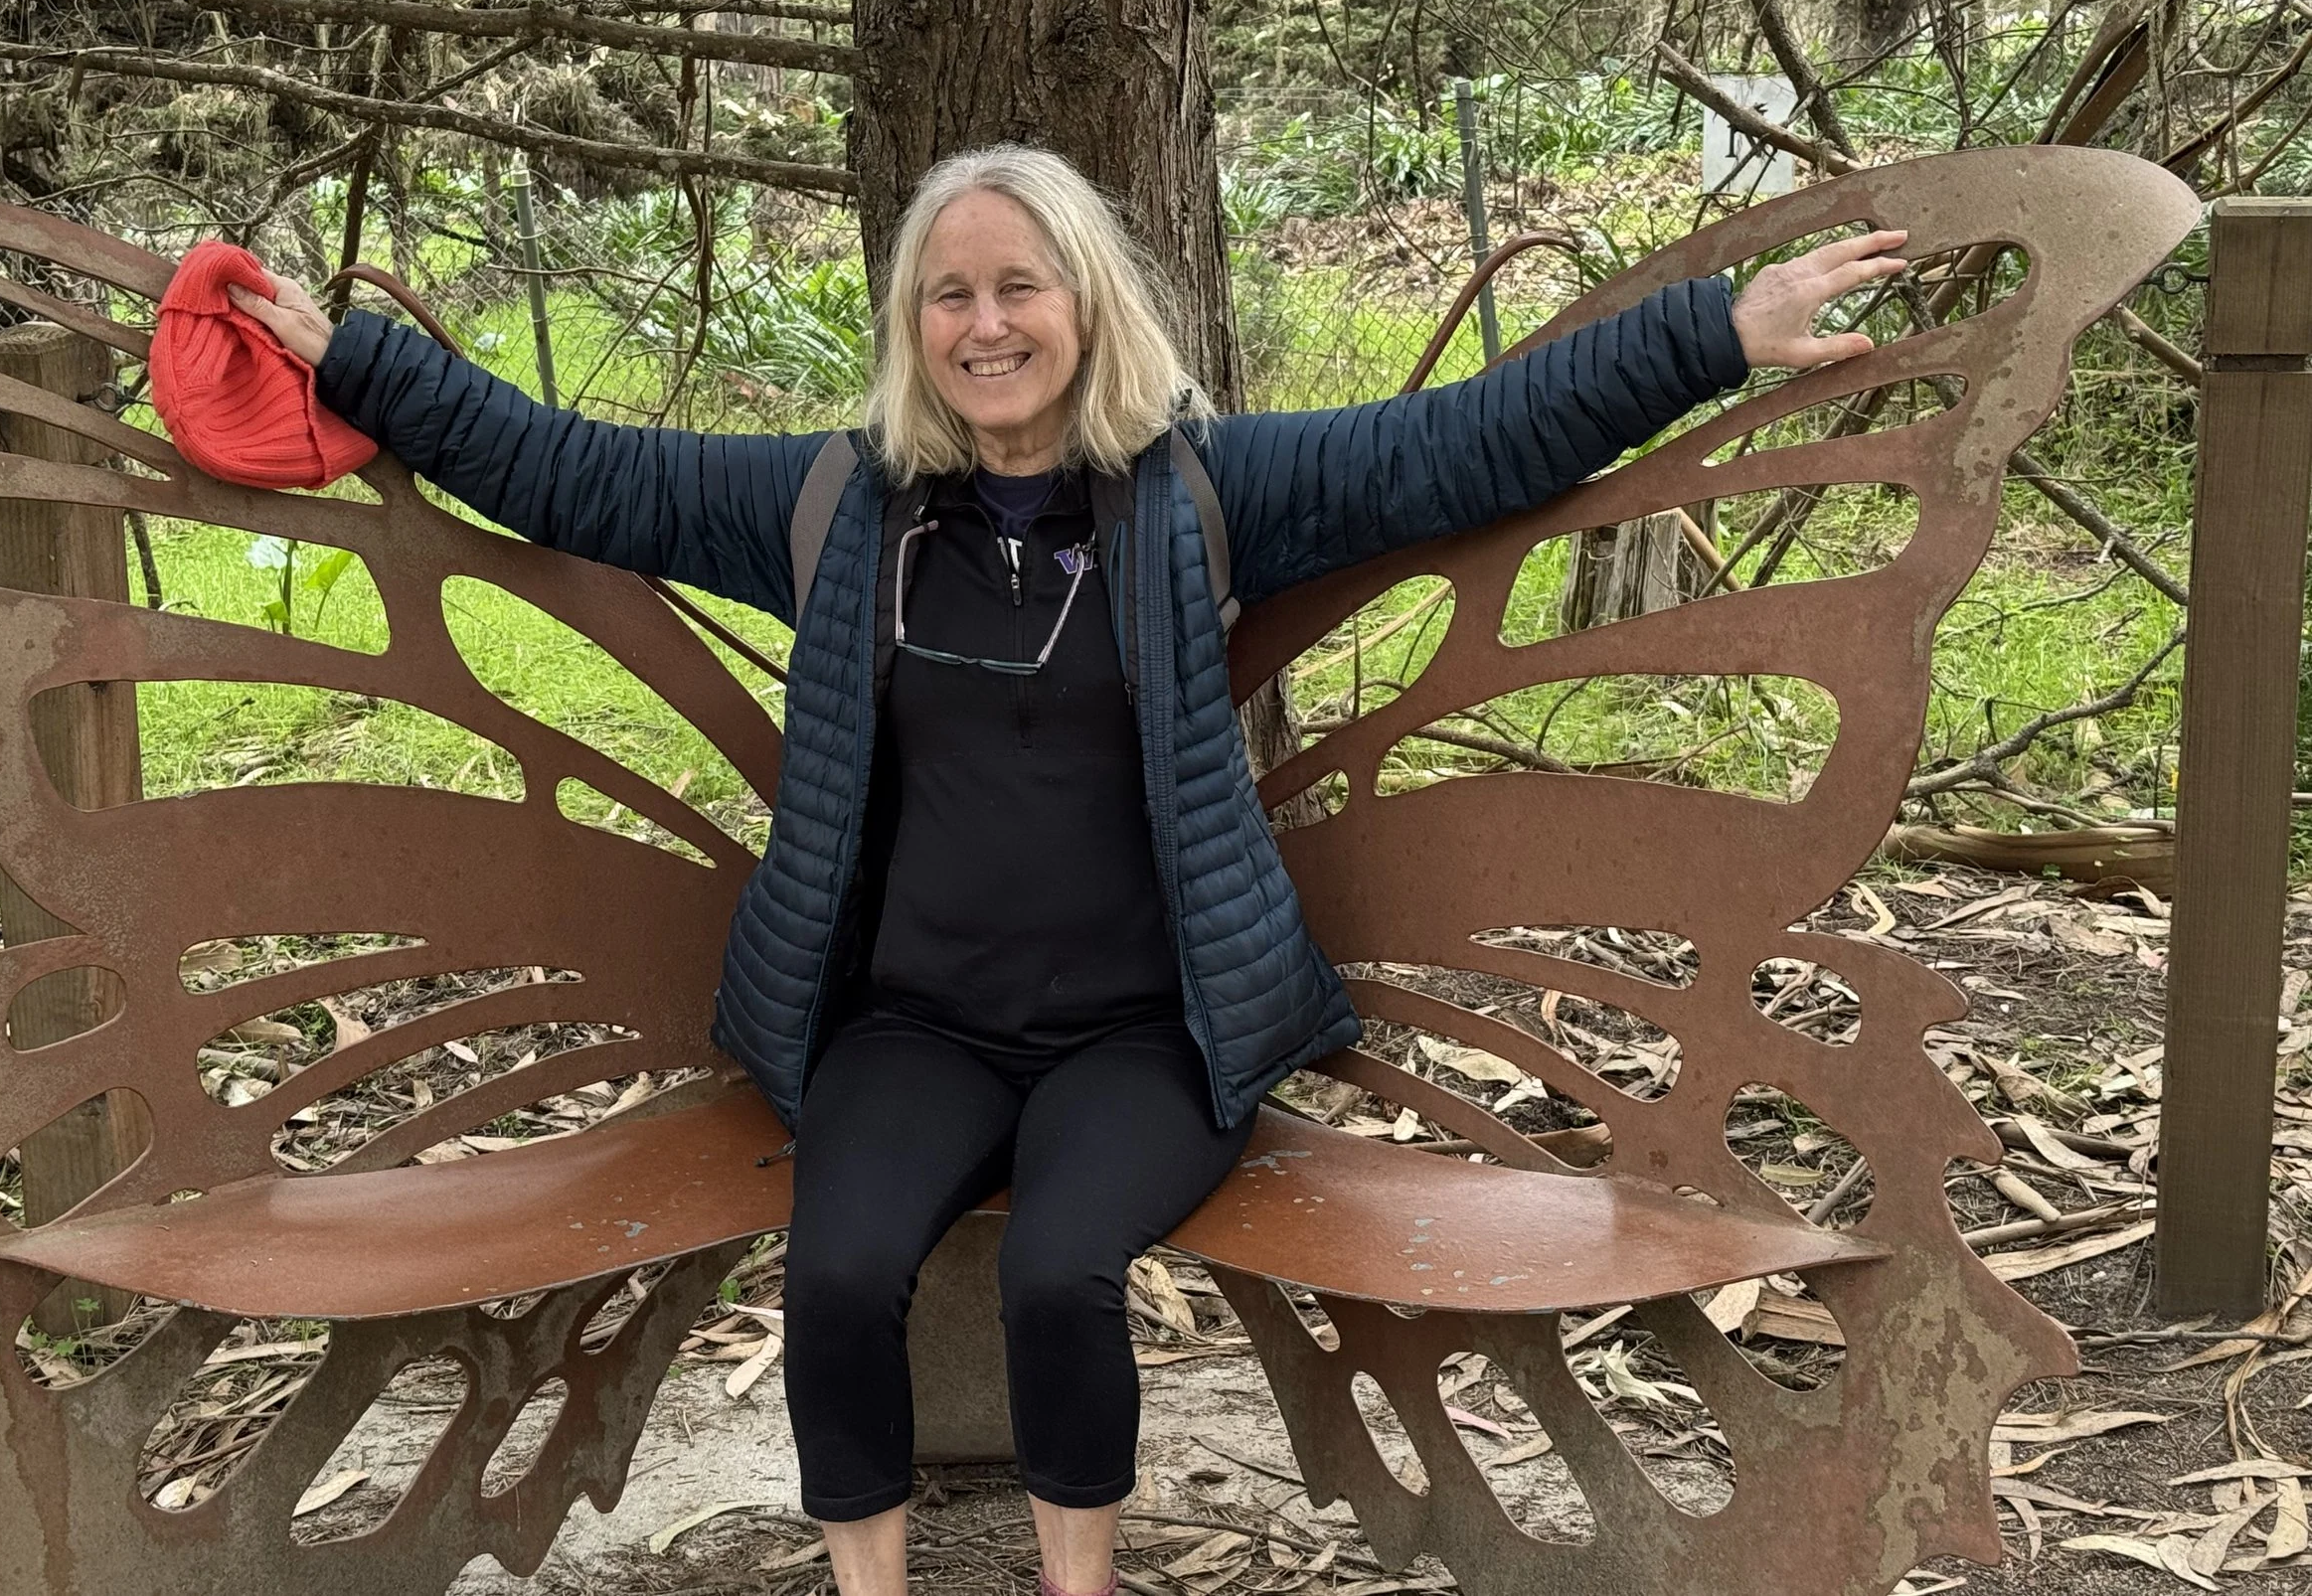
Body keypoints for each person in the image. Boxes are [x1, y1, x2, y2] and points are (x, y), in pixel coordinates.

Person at [234, 146, 1904, 1596]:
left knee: (1057, 1270)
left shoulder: (1192, 490)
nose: (984, 324)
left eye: (1017, 284)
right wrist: (364, 364)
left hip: (1147, 1032)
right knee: (834, 1266)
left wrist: (1711, 335)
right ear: (913, 325)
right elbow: (574, 470)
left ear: (1083, 299)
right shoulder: (838, 502)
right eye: (948, 294)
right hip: (915, 1024)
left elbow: (1456, 447)